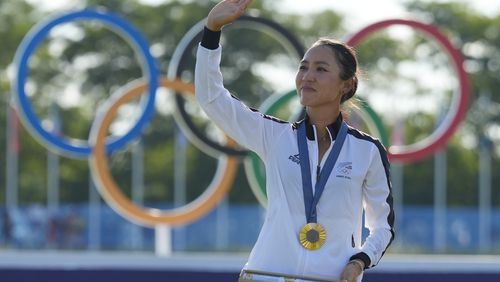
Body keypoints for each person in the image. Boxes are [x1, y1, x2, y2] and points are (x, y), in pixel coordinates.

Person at [195, 1, 395, 281]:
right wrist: (212, 31)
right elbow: (211, 98)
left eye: (321, 69)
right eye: (303, 67)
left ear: (346, 84)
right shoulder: (274, 135)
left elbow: (382, 226)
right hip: (265, 274)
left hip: (331, 278)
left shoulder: (367, 150)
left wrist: (359, 261)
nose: (307, 76)